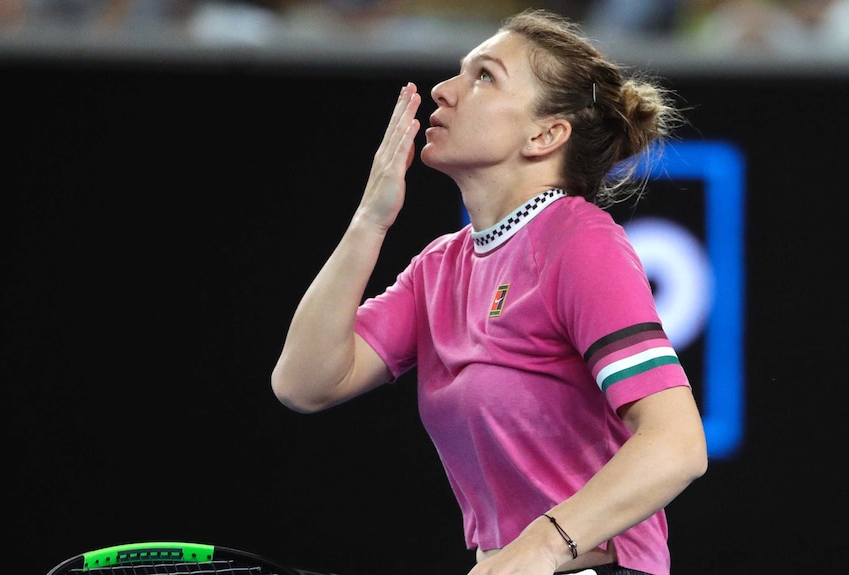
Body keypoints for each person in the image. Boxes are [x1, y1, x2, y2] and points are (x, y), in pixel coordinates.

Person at [271, 8, 708, 575]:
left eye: (484, 76)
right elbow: (303, 381)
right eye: (461, 71)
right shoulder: (440, 268)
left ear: (545, 134)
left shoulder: (581, 243)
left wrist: (543, 545)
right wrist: (368, 222)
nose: (444, 90)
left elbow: (678, 444)